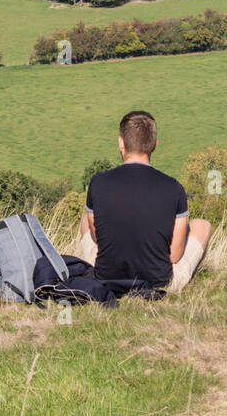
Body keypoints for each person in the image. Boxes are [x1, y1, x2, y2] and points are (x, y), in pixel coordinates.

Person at [79, 111, 211, 294]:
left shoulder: (98, 182)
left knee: (85, 219)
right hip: (158, 283)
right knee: (202, 225)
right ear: (154, 146)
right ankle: (182, 283)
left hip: (106, 278)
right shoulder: (174, 188)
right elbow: (174, 255)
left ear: (121, 143)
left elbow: (96, 238)